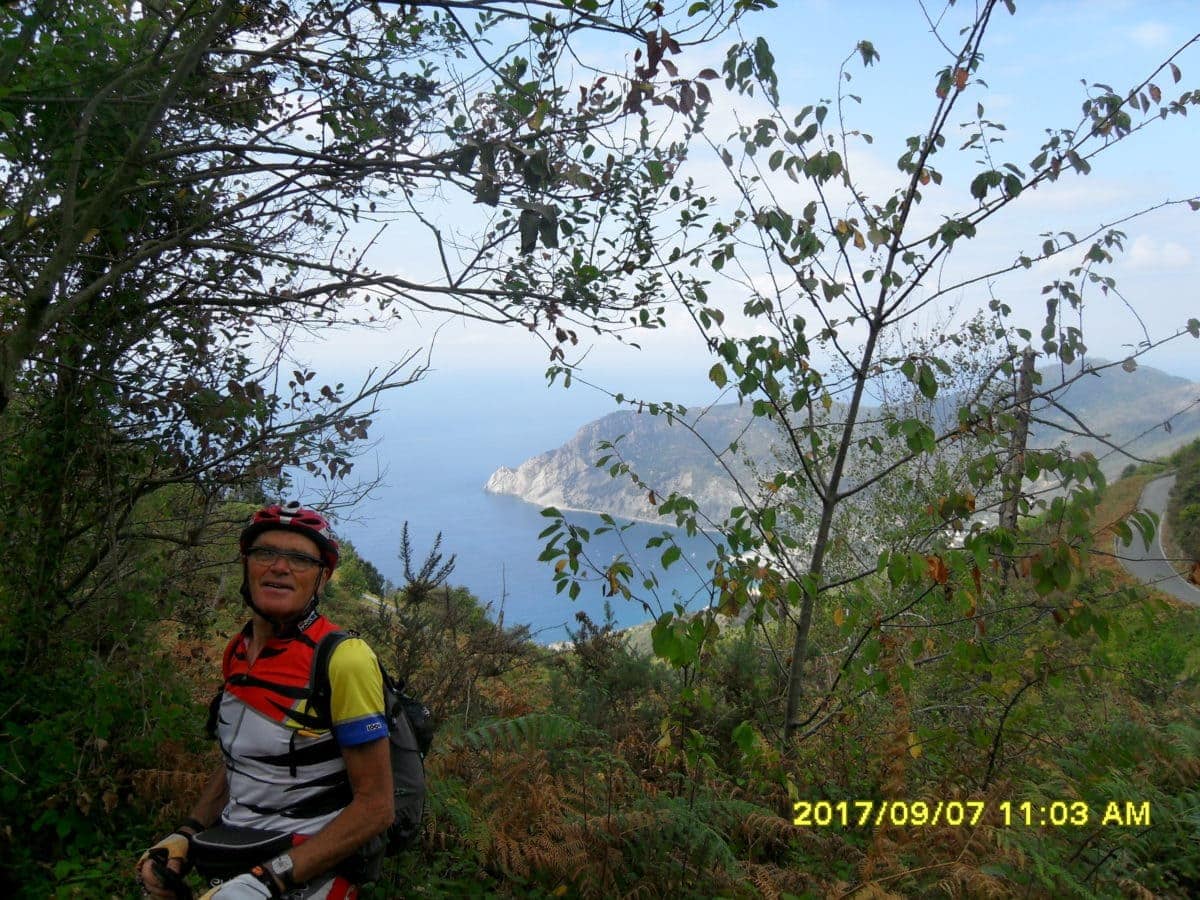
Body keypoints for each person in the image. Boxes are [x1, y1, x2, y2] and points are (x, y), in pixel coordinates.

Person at [135, 502, 394, 899]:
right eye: (266, 553)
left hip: (309, 873)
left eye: (299, 559)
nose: (279, 566)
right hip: (234, 854)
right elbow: (239, 762)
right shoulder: (238, 651)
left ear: (321, 580)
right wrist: (185, 836)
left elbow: (376, 806)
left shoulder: (345, 659)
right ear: (247, 565)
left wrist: (270, 879)